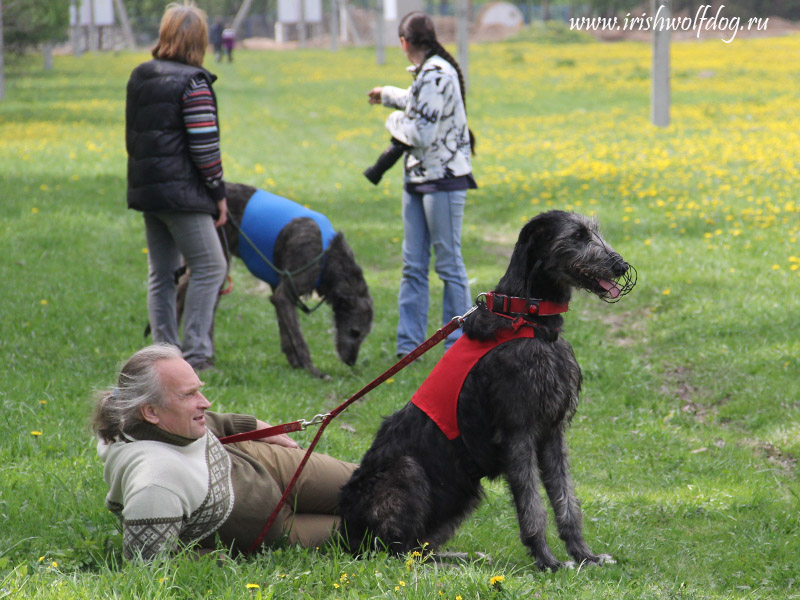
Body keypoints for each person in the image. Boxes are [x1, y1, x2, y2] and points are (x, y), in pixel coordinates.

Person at [92, 344, 358, 561]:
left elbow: (213, 421)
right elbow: (146, 563)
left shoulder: (155, 419)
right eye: (189, 395)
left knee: (387, 483)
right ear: (150, 411)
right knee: (379, 523)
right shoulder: (154, 484)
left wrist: (256, 427)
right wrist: (211, 558)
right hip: (278, 527)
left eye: (199, 389)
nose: (205, 403)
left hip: (262, 462)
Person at [367, 11, 477, 358]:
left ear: (403, 43)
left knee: (448, 264)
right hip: (418, 178)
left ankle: (457, 344)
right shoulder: (429, 73)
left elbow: (421, 132)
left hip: (443, 179)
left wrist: (391, 118)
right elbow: (420, 101)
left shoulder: (436, 74)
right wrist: (387, 93)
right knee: (412, 264)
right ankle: (409, 347)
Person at [125, 2, 228, 372]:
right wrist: (218, 193)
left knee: (162, 273)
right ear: (200, 40)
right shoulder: (193, 82)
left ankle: (162, 356)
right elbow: (204, 147)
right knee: (210, 267)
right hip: (182, 195)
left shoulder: (141, 75)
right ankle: (196, 354)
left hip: (148, 192)